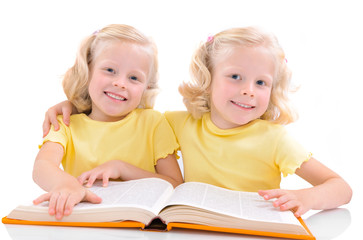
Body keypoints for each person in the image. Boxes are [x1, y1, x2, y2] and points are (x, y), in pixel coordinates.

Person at [42, 26, 352, 218]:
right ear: (208, 80)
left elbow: (341, 188)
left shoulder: (276, 139)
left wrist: (308, 197)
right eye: (235, 77)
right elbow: (120, 116)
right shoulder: (179, 124)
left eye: (261, 83)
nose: (248, 89)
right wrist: (74, 102)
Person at [33, 24, 183, 220]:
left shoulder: (153, 123)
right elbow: (42, 166)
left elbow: (176, 185)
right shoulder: (66, 123)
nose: (120, 83)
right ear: (87, 72)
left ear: (146, 87)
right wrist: (66, 185)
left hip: (143, 227)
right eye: (110, 70)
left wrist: (122, 169)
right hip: (85, 223)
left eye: (134, 77)